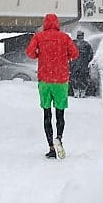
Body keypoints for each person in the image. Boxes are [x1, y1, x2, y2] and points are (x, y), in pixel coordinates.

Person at [25, 13, 79, 159]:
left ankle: (51, 147)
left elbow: (29, 52)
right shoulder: (64, 37)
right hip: (60, 80)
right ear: (57, 23)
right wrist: (65, 56)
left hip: (45, 80)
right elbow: (75, 54)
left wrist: (39, 54)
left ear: (45, 23)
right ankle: (59, 138)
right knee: (60, 114)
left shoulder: (39, 37)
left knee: (47, 114)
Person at [69, 30, 95, 98]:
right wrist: (87, 61)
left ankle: (75, 92)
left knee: (74, 78)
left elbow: (67, 52)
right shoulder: (87, 44)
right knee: (84, 78)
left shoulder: (72, 43)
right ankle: (83, 92)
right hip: (84, 65)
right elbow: (91, 54)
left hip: (74, 65)